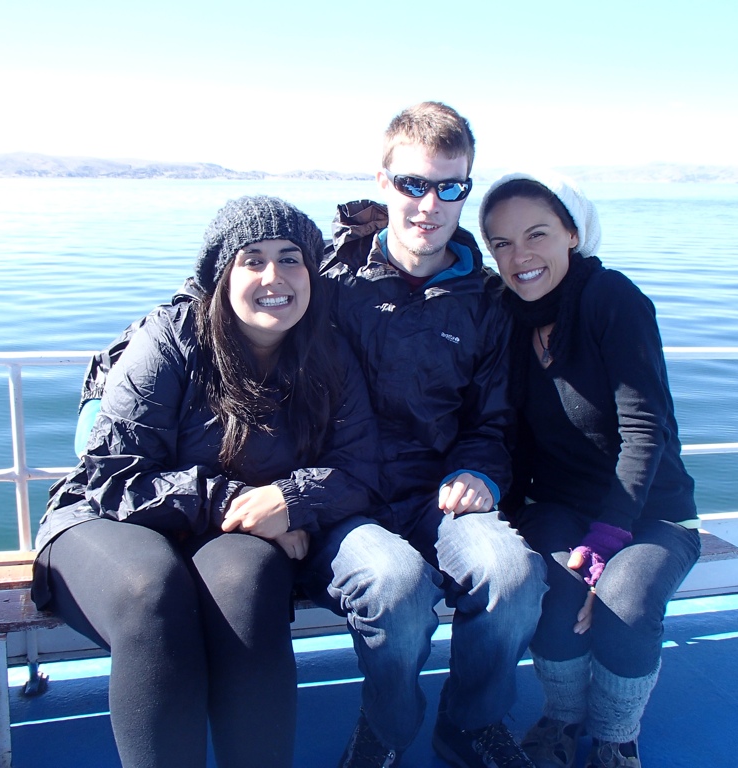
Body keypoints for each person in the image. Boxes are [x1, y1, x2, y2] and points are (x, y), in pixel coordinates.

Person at [31, 196, 381, 768]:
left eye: (290, 258)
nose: (274, 277)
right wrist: (242, 502)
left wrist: (293, 501)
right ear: (221, 274)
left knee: (250, 583)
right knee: (152, 591)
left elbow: (360, 466)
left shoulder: (327, 352)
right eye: (252, 260)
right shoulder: (171, 337)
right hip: (109, 516)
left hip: (227, 534)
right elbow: (113, 475)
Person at [304, 101, 548, 768]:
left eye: (450, 186)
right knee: (396, 587)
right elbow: (213, 310)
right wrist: (103, 393)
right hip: (341, 498)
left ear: (467, 189)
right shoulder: (326, 281)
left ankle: (469, 725)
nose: (430, 205)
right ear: (382, 182)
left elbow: (492, 420)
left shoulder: (488, 302)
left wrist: (478, 472)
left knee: (512, 576)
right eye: (413, 183)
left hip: (436, 495)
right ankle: (387, 730)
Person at [478, 171, 702, 768]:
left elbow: (645, 429)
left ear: (572, 234)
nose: (520, 256)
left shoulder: (611, 299)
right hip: (556, 504)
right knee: (552, 595)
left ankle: (615, 737)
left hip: (650, 508)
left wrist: (607, 537)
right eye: (501, 243)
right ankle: (562, 719)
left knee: (623, 603)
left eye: (537, 234)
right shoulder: (504, 315)